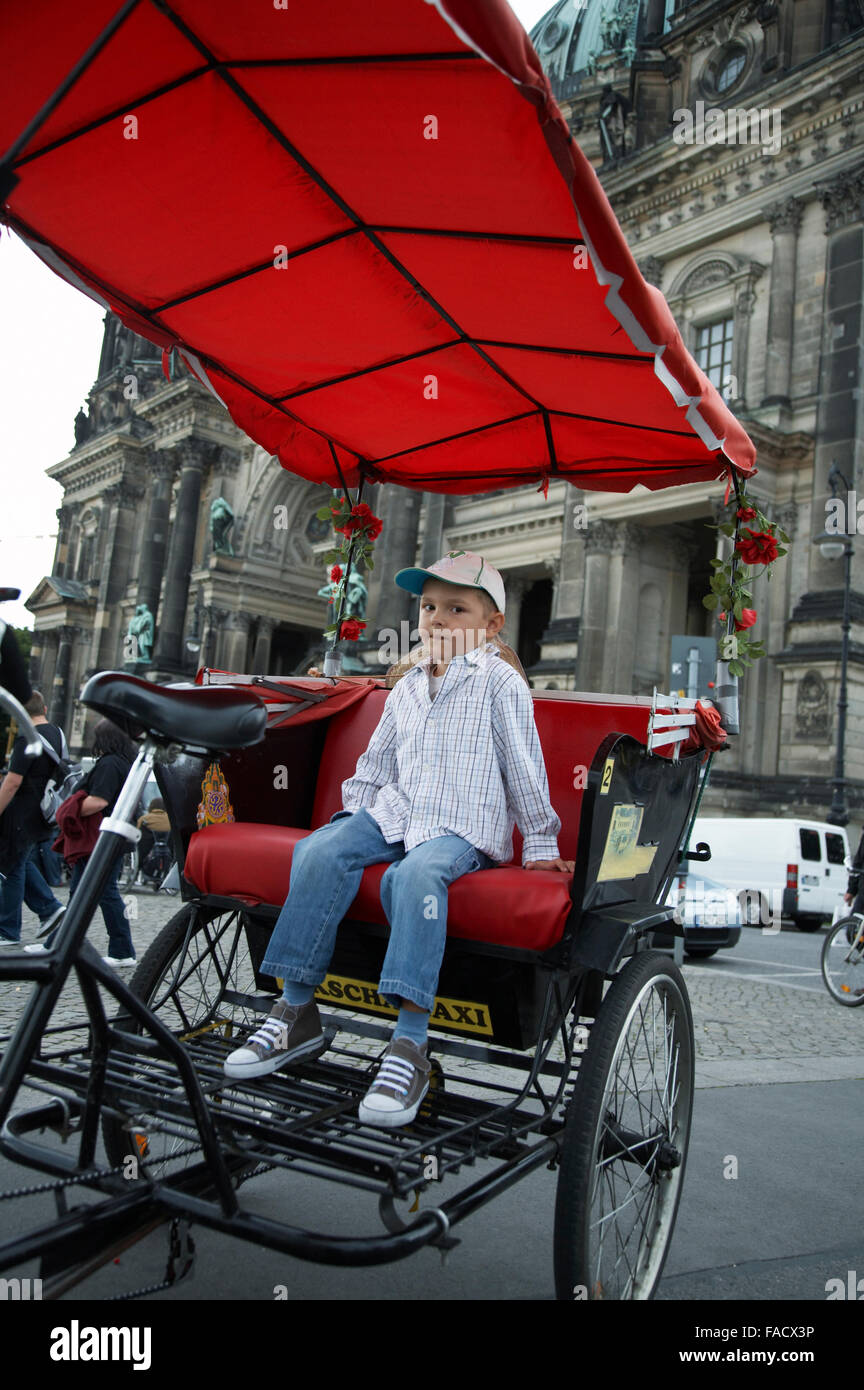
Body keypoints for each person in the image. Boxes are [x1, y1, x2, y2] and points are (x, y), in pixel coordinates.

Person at [224, 551, 574, 1127]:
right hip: (396, 813)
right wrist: (350, 822)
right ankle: (294, 1009)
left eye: (455, 609)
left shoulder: (499, 681)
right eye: (429, 606)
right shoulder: (408, 684)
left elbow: (524, 764)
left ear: (491, 626)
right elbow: (374, 764)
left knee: (414, 876)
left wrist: (539, 845)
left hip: (463, 825)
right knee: (318, 850)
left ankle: (410, 1042)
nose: (436, 619)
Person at [26, 717, 137, 967]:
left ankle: (122, 951)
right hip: (108, 837)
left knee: (102, 894)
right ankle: (58, 944)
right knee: (81, 894)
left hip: (100, 838)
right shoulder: (123, 762)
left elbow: (99, 801)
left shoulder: (109, 764)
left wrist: (68, 808)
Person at [0, 691, 67, 943]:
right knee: (19, 862)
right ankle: (48, 908)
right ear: (45, 709)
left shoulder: (27, 739)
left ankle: (10, 929)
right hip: (45, 809)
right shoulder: (57, 734)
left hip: (22, 812)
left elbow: (12, 782)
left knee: (11, 867)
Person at [135, 796, 171, 885]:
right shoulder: (171, 819)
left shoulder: (144, 819)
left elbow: (137, 832)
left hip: (146, 851)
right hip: (167, 849)